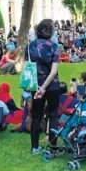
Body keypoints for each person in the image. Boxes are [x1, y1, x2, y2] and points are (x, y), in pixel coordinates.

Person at [25, 19, 60, 155]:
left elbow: (27, 68)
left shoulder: (30, 46)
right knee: (53, 116)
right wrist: (44, 87)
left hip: (35, 84)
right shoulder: (54, 46)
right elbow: (53, 71)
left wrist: (39, 87)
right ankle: (53, 147)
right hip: (51, 86)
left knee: (36, 116)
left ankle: (35, 147)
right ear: (51, 32)